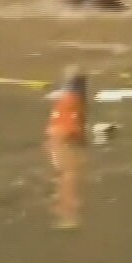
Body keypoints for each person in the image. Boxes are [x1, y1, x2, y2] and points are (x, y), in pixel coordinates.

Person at [45, 66, 89, 229]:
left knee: (67, 174)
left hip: (64, 134)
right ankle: (68, 213)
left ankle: (68, 213)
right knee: (68, 174)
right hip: (66, 133)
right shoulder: (71, 100)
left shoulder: (68, 100)